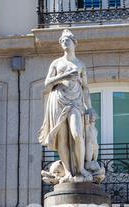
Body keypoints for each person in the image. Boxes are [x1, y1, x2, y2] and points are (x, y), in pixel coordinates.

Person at [39, 29, 94, 182]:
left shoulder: (81, 65)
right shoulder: (56, 63)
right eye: (62, 40)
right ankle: (69, 172)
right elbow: (47, 83)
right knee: (62, 138)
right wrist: (64, 76)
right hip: (58, 100)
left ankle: (81, 168)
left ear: (74, 43)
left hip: (76, 101)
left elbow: (85, 88)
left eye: (67, 40)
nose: (64, 42)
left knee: (77, 135)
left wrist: (89, 108)